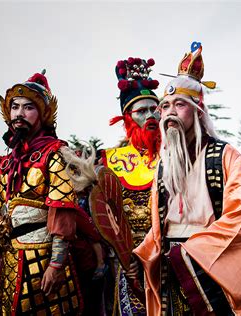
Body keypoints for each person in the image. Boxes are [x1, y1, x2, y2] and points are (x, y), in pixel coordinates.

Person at [131, 42, 241, 315]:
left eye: (180, 104)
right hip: (170, 267)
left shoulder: (226, 156)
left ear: (198, 110)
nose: (170, 112)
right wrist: (142, 253)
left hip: (211, 269)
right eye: (165, 106)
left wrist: (192, 252)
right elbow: (159, 226)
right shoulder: (163, 164)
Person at [0, 71, 82, 314]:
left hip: (43, 259)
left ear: (43, 114)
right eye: (14, 107)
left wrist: (56, 264)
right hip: (10, 258)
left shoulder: (55, 153)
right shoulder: (4, 163)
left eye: (28, 108)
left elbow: (63, 212)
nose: (19, 114)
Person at [104, 56, 161, 315]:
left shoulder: (176, 153)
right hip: (132, 263)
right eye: (141, 111)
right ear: (127, 118)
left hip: (172, 259)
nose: (150, 116)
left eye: (154, 109)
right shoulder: (112, 161)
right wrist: (123, 257)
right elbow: (105, 216)